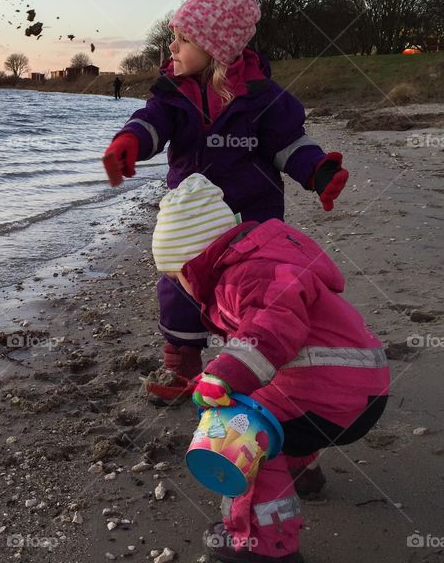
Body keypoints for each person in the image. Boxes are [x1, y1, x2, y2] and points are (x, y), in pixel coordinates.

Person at [101, 0, 349, 405]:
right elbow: (151, 124)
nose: (171, 50)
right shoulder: (172, 95)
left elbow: (289, 143)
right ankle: (182, 369)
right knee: (178, 290)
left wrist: (317, 173)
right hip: (192, 225)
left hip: (252, 223)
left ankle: (263, 373)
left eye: (181, 40)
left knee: (259, 297)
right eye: (171, 39)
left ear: (215, 46)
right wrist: (130, 143)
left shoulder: (262, 98)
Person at [154, 174, 389, 562]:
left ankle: (263, 544)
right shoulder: (263, 262)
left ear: (194, 260)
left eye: (179, 277)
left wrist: (226, 376)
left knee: (241, 429)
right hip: (356, 386)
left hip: (334, 394)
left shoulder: (249, 276)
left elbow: (270, 328)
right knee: (272, 394)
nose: (181, 287)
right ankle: (303, 472)